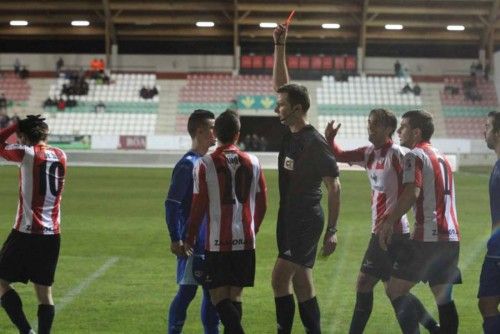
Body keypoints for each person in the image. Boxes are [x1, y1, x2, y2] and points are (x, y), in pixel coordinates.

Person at [324, 109, 439, 334]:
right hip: (386, 232)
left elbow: (410, 189)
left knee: (364, 283)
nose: (370, 127)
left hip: (390, 232)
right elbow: (339, 155)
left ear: (388, 129)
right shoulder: (368, 153)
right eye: (369, 122)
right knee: (394, 290)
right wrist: (330, 139)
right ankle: (433, 327)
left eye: (375, 123)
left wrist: (391, 218)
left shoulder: (398, 155)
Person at [272, 23, 341, 334]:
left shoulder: (314, 142)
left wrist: (332, 230)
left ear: (296, 110)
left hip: (305, 220)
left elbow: (334, 185)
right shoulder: (291, 130)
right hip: (288, 217)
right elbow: (282, 86)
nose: (277, 108)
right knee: (301, 282)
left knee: (279, 277)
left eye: (282, 106)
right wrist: (279, 46)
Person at [184, 110, 267, 334]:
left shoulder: (204, 164)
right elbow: (263, 203)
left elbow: (198, 206)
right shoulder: (254, 162)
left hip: (218, 241)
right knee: (235, 296)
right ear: (238, 135)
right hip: (246, 240)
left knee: (217, 296)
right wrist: (253, 229)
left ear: (216, 133)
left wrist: (189, 237)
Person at [378, 110, 461, 334]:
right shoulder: (441, 156)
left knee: (395, 289)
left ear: (416, 132)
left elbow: (411, 193)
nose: (398, 131)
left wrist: (388, 221)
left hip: (427, 237)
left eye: (403, 127)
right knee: (444, 299)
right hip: (451, 237)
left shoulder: (414, 155)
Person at [0, 115, 66, 334]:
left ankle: (26, 331)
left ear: (24, 136)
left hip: (25, 233)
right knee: (44, 294)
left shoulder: (26, 154)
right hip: (52, 236)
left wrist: (15, 125)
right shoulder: (61, 155)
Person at [165, 109, 220, 334]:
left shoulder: (207, 162)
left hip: (210, 241)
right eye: (211, 128)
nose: (215, 133)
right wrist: (176, 238)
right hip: (191, 243)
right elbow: (171, 204)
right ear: (200, 131)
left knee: (211, 292)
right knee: (187, 292)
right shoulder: (187, 164)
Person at [478, 111, 500, 334]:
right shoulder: (497, 164)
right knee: (486, 303)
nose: (483, 131)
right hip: (494, 250)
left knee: (488, 304)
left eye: (487, 126)